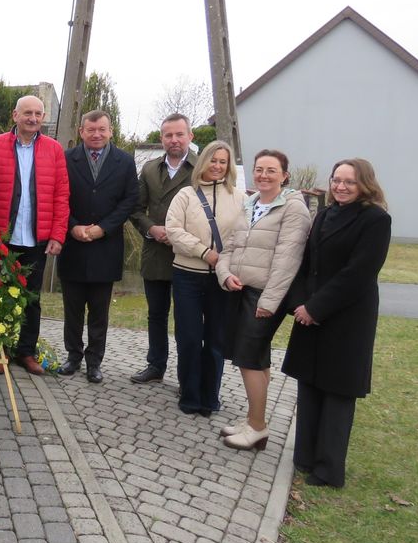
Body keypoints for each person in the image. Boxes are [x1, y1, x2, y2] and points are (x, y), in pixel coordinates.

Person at [282, 159, 391, 488]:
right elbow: (307, 263)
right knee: (310, 383)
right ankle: (304, 456)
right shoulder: (325, 215)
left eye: (350, 182)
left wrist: (315, 308)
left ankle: (328, 470)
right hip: (310, 313)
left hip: (347, 318)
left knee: (337, 391)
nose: (341, 187)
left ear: (365, 186)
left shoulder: (375, 220)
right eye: (337, 180)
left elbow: (359, 273)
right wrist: (299, 303)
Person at [215, 150, 312, 450]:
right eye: (259, 169)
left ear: (284, 175)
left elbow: (288, 260)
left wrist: (269, 302)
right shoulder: (251, 203)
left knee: (248, 360)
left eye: (272, 170)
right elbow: (229, 245)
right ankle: (252, 419)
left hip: (265, 296)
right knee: (255, 359)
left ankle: (258, 427)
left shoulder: (294, 209)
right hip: (241, 290)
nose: (263, 175)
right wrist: (224, 274)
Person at [0, 95, 70, 375]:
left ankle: (25, 352)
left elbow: (62, 195)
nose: (33, 118)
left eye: (38, 114)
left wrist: (57, 235)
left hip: (37, 239)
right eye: (27, 112)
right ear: (15, 115)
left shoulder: (54, 150)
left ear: (43, 118)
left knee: (31, 298)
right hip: (2, 238)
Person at [57, 110, 138, 384]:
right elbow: (58, 197)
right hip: (73, 245)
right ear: (81, 131)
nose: (96, 134)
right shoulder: (67, 159)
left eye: (102, 129)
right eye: (91, 130)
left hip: (106, 246)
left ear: (110, 131)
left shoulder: (125, 162)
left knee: (99, 312)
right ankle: (72, 357)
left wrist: (103, 227)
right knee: (72, 309)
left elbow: (130, 201)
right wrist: (72, 225)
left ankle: (94, 362)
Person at [165, 140, 244, 416]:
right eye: (213, 160)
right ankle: (189, 394)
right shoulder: (186, 195)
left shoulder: (239, 197)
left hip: (221, 279)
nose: (217, 166)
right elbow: (173, 229)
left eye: (223, 161)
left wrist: (224, 260)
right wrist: (203, 252)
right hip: (187, 276)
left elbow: (244, 233)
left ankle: (210, 397)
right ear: (203, 162)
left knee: (215, 341)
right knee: (189, 338)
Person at [129, 113, 199, 384]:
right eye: (168, 135)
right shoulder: (149, 169)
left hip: (189, 256)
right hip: (156, 253)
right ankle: (155, 365)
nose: (174, 140)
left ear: (190, 136)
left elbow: (209, 212)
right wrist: (150, 228)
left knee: (187, 321)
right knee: (156, 314)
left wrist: (181, 235)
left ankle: (187, 376)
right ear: (161, 139)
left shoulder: (201, 168)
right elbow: (136, 209)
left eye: (179, 134)